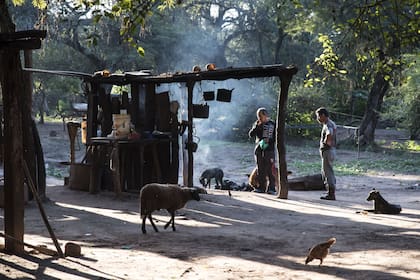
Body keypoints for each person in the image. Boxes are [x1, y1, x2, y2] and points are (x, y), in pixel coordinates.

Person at [249, 108, 276, 195]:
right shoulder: (257, 124)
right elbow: (251, 134)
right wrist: (257, 126)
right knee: (260, 169)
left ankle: (272, 188)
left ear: (266, 115)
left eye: (261, 116)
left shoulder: (272, 124)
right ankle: (261, 187)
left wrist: (269, 140)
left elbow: (276, 136)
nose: (260, 118)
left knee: (270, 169)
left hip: (269, 150)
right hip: (259, 149)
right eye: (258, 116)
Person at [315, 107, 337, 200]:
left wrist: (326, 142)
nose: (318, 119)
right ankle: (330, 192)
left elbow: (329, 133)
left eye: (318, 116)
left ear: (323, 115)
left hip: (328, 151)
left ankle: (331, 193)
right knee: (328, 171)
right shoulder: (330, 123)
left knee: (328, 172)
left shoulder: (328, 124)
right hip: (330, 151)